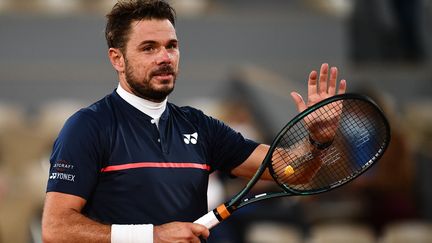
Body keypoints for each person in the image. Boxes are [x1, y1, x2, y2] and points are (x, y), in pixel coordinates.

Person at [41, 0, 347, 242]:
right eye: (149, 48)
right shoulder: (87, 127)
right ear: (117, 59)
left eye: (171, 46)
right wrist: (153, 236)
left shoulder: (200, 126)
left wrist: (317, 141)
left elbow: (292, 170)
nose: (165, 57)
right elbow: (56, 228)